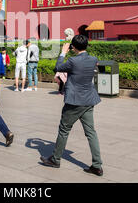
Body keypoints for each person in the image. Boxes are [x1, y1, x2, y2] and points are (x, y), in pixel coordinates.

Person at [40, 35, 103, 177]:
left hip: (74, 101)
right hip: (88, 100)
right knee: (91, 132)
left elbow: (57, 67)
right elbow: (95, 64)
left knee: (64, 129)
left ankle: (55, 159)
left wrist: (63, 52)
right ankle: (97, 165)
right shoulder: (93, 59)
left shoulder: (73, 61)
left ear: (73, 47)